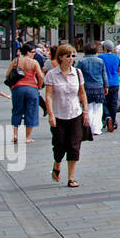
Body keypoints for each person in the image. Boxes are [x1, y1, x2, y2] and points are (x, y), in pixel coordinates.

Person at [44, 43, 88, 188]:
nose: (71, 59)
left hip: (75, 114)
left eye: (73, 56)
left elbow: (82, 93)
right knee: (59, 146)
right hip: (58, 115)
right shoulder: (52, 74)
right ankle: (57, 163)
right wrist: (50, 114)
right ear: (60, 57)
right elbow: (49, 95)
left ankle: (71, 177)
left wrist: (86, 111)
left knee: (74, 146)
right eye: (67, 56)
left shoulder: (77, 73)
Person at [8, 41, 45, 143]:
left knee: (16, 111)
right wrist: (39, 86)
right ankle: (27, 137)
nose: (34, 54)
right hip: (31, 88)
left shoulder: (16, 61)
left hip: (18, 88)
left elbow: (7, 75)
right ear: (27, 52)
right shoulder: (34, 63)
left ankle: (15, 135)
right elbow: (41, 76)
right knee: (31, 112)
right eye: (32, 52)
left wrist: (12, 87)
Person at [77, 42, 108, 136]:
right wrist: (106, 86)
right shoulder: (100, 61)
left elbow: (78, 75)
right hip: (99, 87)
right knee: (98, 108)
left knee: (88, 108)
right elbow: (104, 75)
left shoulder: (81, 62)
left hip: (87, 87)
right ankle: (97, 128)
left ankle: (89, 127)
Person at [99, 41, 120, 132]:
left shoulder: (100, 57)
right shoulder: (116, 58)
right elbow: (119, 69)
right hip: (115, 82)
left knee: (103, 102)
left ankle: (107, 116)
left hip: (104, 83)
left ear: (104, 48)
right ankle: (112, 120)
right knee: (113, 103)